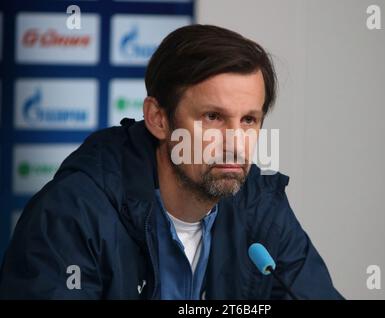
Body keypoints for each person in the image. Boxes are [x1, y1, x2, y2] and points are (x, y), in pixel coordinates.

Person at [0, 24, 343, 299]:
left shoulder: (262, 209)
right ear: (158, 119)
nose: (235, 141)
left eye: (249, 121)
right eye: (213, 117)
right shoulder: (73, 212)